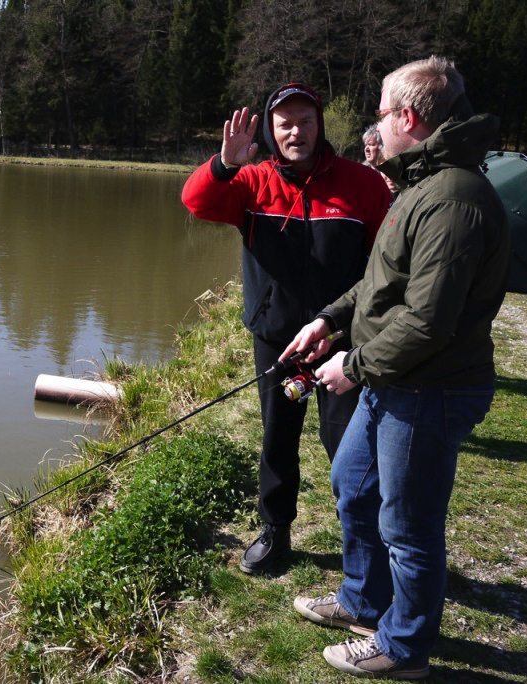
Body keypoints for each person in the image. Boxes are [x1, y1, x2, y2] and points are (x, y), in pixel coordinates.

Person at [284, 56, 510, 678]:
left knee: (408, 527)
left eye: (381, 112)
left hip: (430, 389)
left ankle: (404, 647)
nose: (375, 123)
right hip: (395, 379)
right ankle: (363, 600)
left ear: (408, 117)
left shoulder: (453, 199)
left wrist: (353, 367)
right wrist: (328, 320)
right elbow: (382, 283)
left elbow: (428, 321)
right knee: (353, 486)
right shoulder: (421, 183)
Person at [181, 83, 391, 574]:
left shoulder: (362, 183)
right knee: (278, 438)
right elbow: (196, 201)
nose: (296, 132)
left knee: (349, 445)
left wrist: (350, 325)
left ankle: (364, 542)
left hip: (341, 341)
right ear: (272, 132)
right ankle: (276, 531)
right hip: (279, 341)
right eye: (285, 124)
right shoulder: (252, 182)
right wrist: (224, 164)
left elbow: (386, 265)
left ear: (320, 126)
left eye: (306, 121)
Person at [363, 123, 399, 195]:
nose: (366, 149)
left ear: (382, 146)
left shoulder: (395, 166)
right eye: (365, 145)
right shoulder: (363, 174)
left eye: (371, 144)